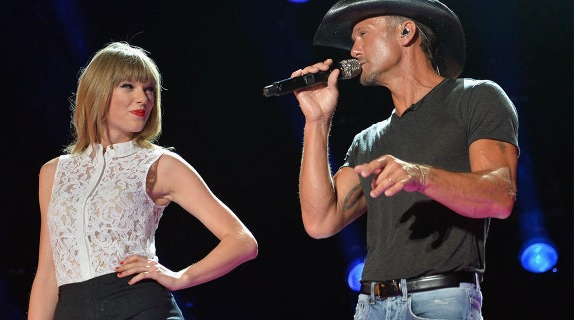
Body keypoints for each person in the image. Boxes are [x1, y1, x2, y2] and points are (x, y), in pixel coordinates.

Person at [290, 0, 518, 319]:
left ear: (406, 32)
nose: (353, 50)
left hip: (439, 302)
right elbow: (320, 222)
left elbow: (500, 197)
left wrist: (420, 176)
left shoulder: (475, 98)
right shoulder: (367, 140)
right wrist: (317, 121)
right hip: (371, 305)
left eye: (362, 34)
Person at [28, 41, 258, 319]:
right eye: (128, 86)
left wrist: (181, 277)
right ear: (98, 91)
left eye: (149, 89)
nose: (143, 98)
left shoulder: (160, 164)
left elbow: (242, 241)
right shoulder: (54, 173)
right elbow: (47, 274)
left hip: (142, 308)